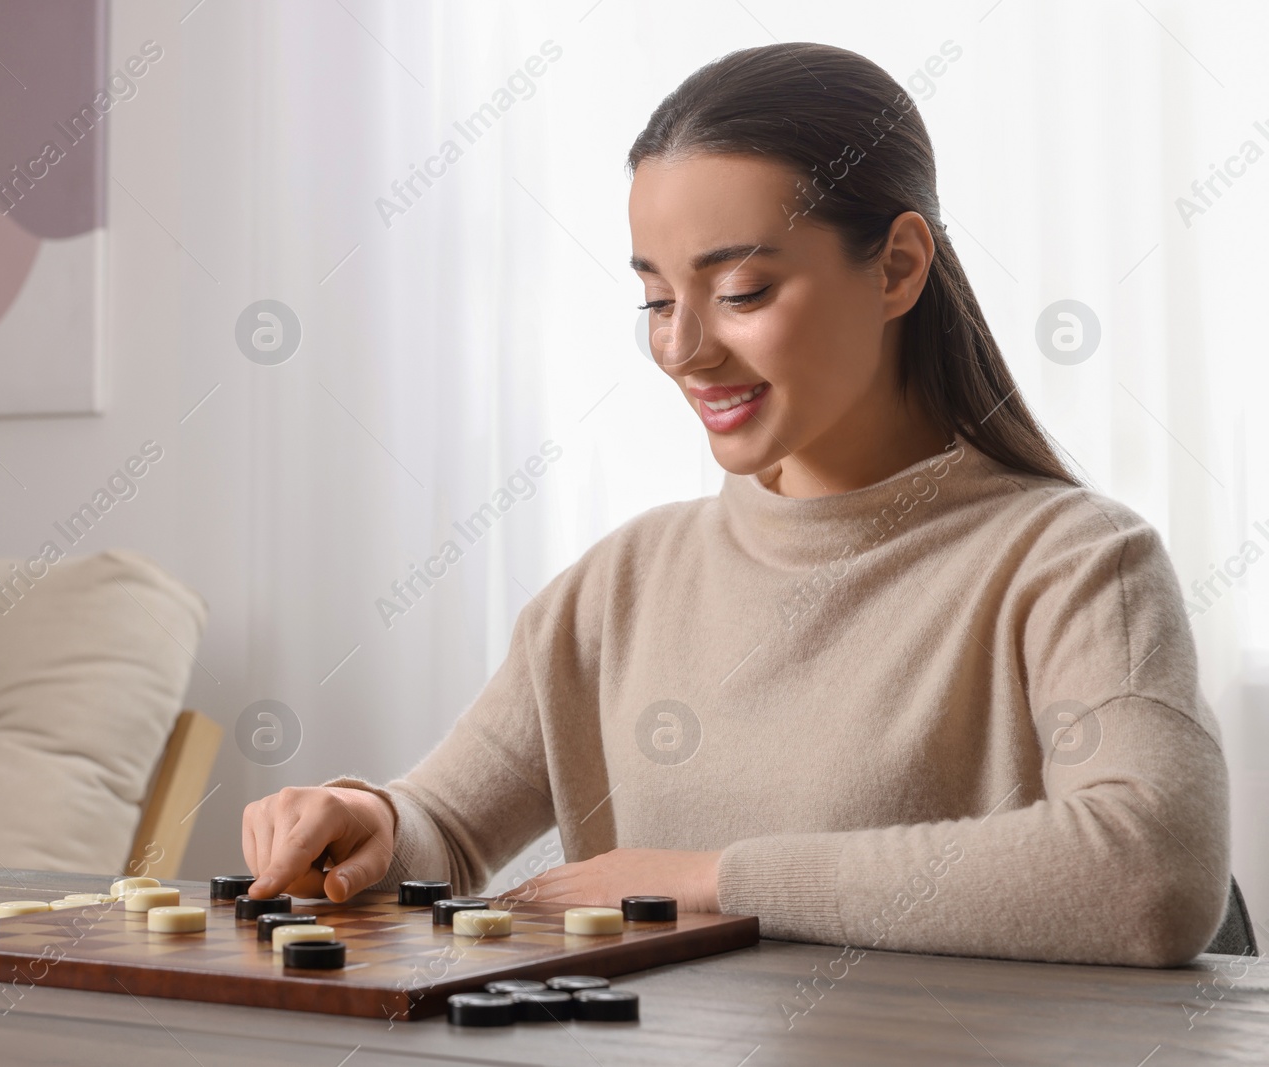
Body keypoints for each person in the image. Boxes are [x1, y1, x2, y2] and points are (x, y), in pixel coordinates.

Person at [240, 42, 1230, 967]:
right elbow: (444, 827)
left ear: (896, 266)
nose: (683, 349)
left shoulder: (1073, 562)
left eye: (743, 291)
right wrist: (363, 814)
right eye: (657, 302)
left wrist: (711, 879)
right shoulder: (621, 584)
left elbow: (1149, 873)